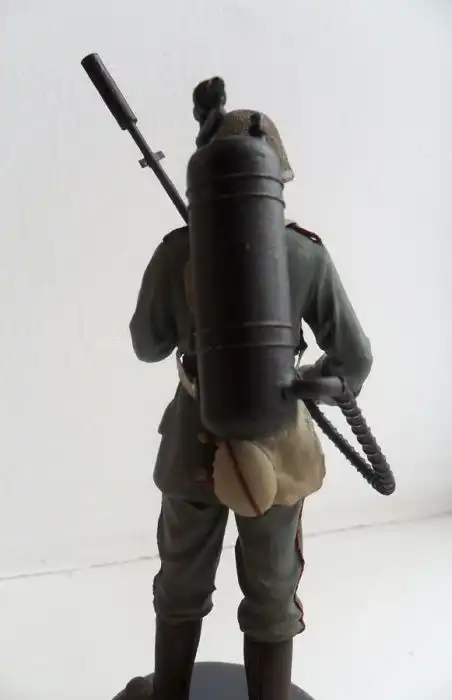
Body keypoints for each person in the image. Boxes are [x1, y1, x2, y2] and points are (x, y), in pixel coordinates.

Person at [121, 110, 373, 700]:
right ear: (277, 179)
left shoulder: (177, 251)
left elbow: (146, 345)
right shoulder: (305, 254)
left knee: (180, 584)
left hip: (193, 443)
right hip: (277, 445)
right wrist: (303, 381)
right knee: (272, 589)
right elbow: (354, 358)